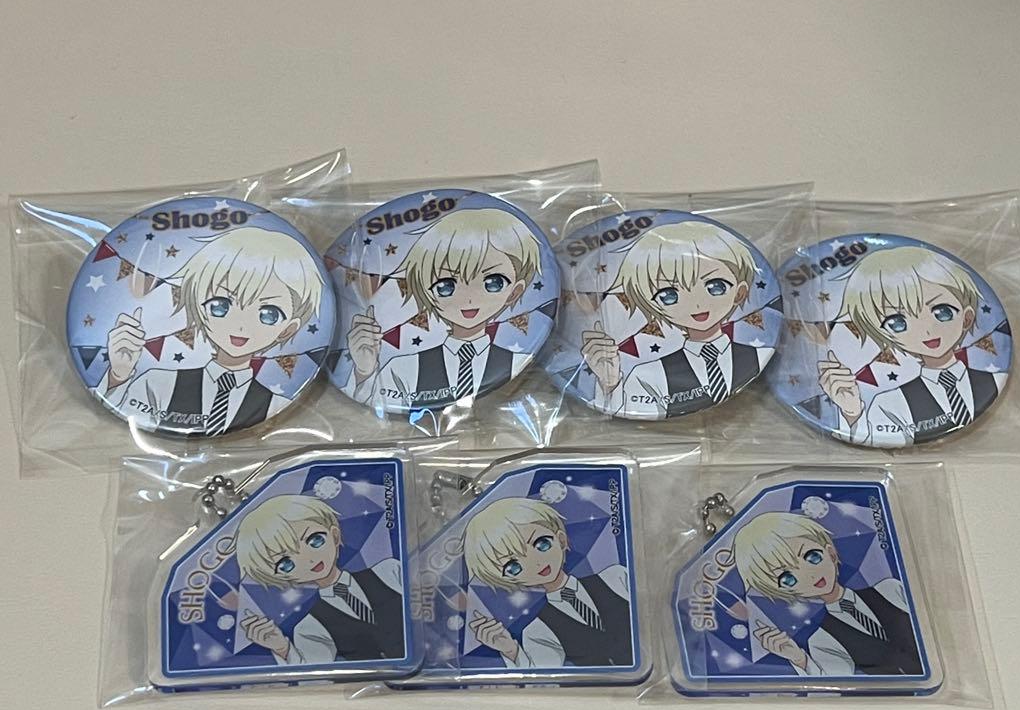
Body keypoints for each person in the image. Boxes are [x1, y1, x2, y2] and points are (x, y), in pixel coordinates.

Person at [98, 226, 323, 434]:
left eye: (268, 314)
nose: (240, 325)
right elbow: (121, 419)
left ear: (288, 329)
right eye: (221, 306)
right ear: (198, 307)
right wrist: (118, 375)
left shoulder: (275, 403)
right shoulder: (156, 384)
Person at [345, 207, 541, 410]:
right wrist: (364, 371)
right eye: (446, 286)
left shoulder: (519, 363)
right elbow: (374, 404)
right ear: (426, 292)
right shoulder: (403, 368)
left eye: (493, 283)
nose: (469, 298)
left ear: (514, 292)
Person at [817, 245, 1006, 445]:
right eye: (897, 323)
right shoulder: (889, 403)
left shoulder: (995, 381)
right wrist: (852, 412)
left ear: (967, 318)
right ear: (885, 335)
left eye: (942, 312)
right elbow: (874, 442)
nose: (926, 331)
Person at [581, 219, 767, 417]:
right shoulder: (648, 375)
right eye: (669, 295)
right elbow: (624, 413)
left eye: (715, 286)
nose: (696, 304)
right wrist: (609, 383)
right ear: (653, 305)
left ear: (739, 293)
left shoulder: (760, 356)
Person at [732, 511, 922, 676]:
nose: (810, 575)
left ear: (830, 553)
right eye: (788, 578)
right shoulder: (822, 641)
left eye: (811, 556)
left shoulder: (890, 590)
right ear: (780, 590)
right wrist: (799, 659)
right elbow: (836, 682)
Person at [462, 497, 634, 669]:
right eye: (514, 567)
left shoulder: (616, 578)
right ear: (505, 579)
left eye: (541, 544)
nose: (536, 563)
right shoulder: (538, 631)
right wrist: (511, 651)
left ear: (561, 540)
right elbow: (541, 674)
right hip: (607, 685)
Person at [235, 495, 405, 665]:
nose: (309, 560)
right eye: (286, 563)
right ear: (277, 576)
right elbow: (314, 673)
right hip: (378, 680)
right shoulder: (310, 628)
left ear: (335, 535)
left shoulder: (389, 572)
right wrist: (282, 649)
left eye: (315, 540)